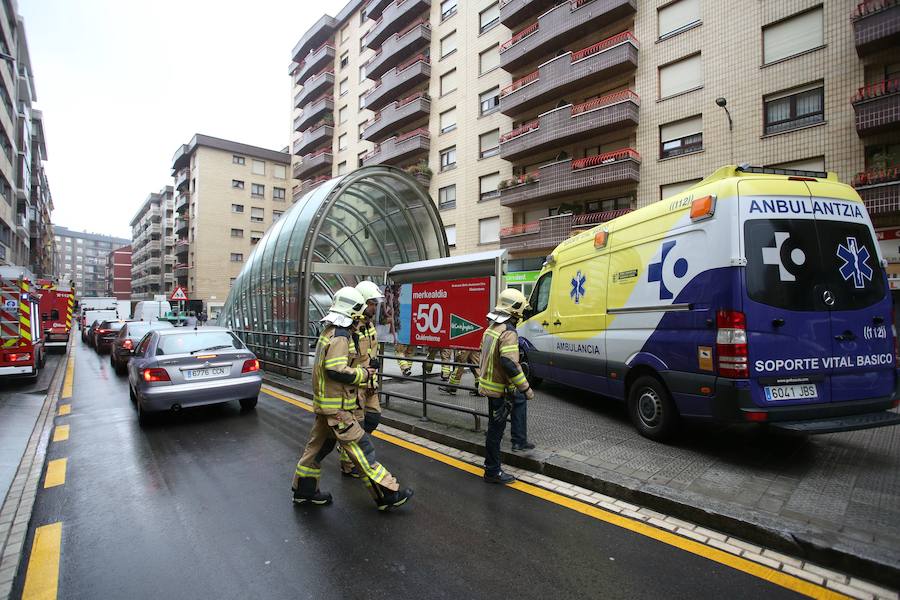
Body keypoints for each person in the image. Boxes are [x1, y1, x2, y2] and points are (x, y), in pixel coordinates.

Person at [292, 286, 413, 510]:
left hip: (327, 407)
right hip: (338, 410)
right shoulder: (340, 335)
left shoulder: (331, 331)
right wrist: (363, 374)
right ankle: (387, 494)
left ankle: (304, 491)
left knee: (316, 451)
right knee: (362, 450)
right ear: (353, 311)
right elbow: (335, 369)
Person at [477, 288, 536, 485]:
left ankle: (491, 467)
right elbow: (510, 364)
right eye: (520, 313)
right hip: (499, 391)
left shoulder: (491, 328)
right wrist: (526, 388)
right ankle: (492, 471)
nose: (520, 317)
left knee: (494, 429)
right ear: (515, 310)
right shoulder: (508, 332)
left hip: (489, 386)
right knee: (495, 431)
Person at [339, 280, 385, 477]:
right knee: (356, 426)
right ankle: (350, 464)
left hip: (369, 383)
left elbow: (372, 352)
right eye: (373, 303)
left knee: (373, 417)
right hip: (355, 385)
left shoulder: (369, 325)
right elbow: (345, 361)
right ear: (364, 304)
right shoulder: (351, 328)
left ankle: (350, 451)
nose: (375, 307)